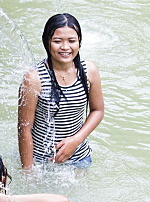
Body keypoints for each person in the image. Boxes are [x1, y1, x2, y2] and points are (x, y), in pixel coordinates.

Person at [17, 13, 104, 169]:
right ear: (47, 42)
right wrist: (28, 172)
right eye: (57, 41)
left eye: (72, 41)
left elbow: (98, 110)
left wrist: (76, 140)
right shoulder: (34, 79)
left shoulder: (89, 70)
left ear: (79, 42)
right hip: (41, 161)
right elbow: (24, 129)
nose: (65, 47)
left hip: (79, 157)